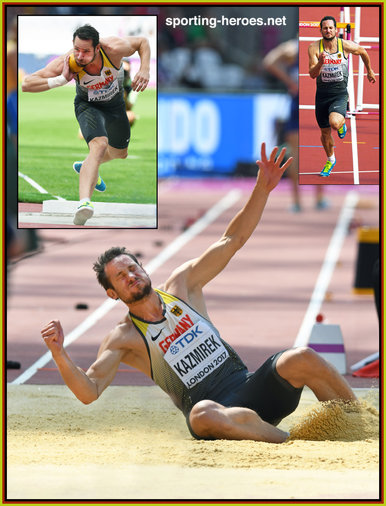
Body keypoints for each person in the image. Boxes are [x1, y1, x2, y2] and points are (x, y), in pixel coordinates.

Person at [41, 143, 356, 443]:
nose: (132, 277)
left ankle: (358, 422)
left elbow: (231, 240)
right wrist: (59, 354)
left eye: (133, 268)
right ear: (113, 294)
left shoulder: (183, 286)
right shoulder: (124, 338)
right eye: (122, 277)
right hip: (215, 412)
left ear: (144, 269)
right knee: (202, 414)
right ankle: (293, 444)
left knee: (301, 357)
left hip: (248, 387)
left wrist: (262, 189)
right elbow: (90, 391)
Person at [22, 24, 151, 225]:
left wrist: (144, 69)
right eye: (77, 49)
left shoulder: (114, 49)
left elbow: (142, 42)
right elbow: (26, 84)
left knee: (120, 153)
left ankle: (88, 165)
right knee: (99, 145)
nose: (80, 56)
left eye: (86, 51)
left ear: (98, 48)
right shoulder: (70, 61)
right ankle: (84, 203)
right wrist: (61, 79)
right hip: (88, 106)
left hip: (115, 106)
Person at [263, 38, 328, 212]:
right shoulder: (320, 47)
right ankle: (319, 198)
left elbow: (269, 61)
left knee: (296, 154)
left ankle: (297, 202)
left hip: (299, 104)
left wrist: (290, 82)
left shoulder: (292, 49)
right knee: (319, 152)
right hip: (314, 104)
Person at [308, 16, 376, 177]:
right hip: (322, 96)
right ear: (321, 30)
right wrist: (320, 63)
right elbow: (312, 74)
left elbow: (363, 51)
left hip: (339, 94)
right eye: (325, 28)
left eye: (331, 28)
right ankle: (330, 160)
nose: (328, 30)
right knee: (325, 134)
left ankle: (340, 123)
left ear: (335, 29)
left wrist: (369, 71)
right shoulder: (313, 48)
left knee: (334, 123)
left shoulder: (344, 45)